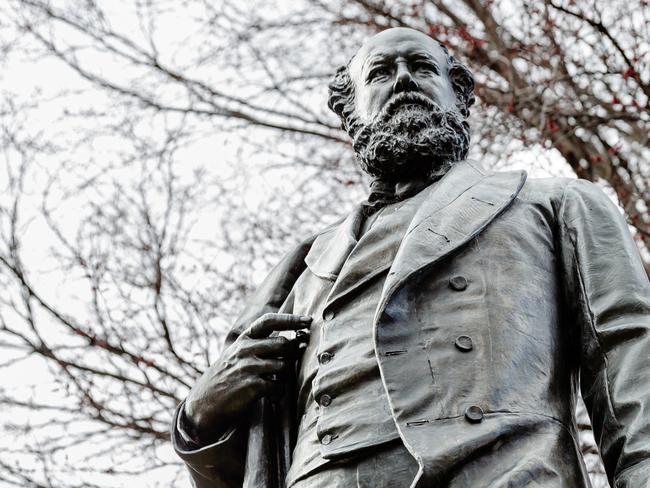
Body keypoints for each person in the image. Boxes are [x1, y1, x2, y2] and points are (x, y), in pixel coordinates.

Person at [171, 27, 650, 488]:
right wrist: (198, 418)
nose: (403, 79)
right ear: (350, 112)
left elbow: (630, 359)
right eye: (380, 73)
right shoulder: (301, 270)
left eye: (421, 67)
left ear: (458, 96)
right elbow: (252, 464)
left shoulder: (556, 204)